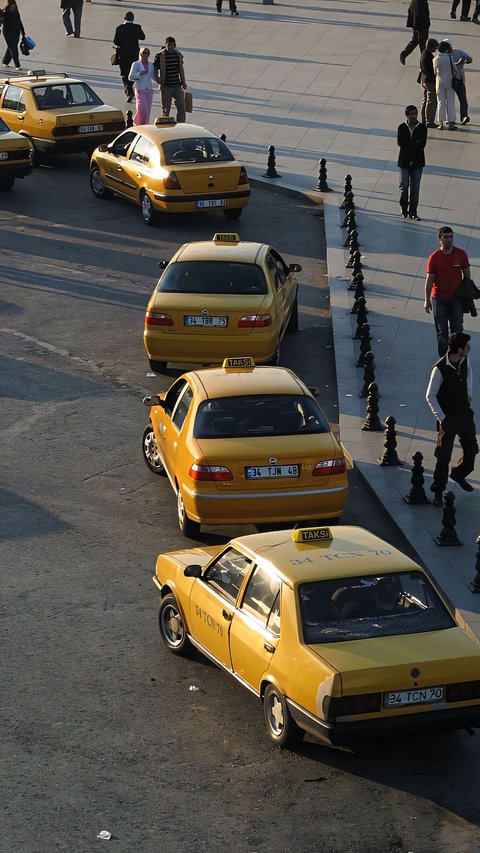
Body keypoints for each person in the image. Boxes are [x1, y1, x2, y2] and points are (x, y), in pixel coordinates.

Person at [426, 332, 478, 505]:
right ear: (459, 349)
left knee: (472, 449)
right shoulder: (439, 369)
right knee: (443, 456)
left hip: (464, 414)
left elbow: (469, 377)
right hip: (448, 418)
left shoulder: (465, 360)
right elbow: (430, 396)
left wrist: (468, 395)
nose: (469, 349)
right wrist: (443, 418)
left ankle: (459, 473)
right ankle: (439, 491)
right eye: (467, 346)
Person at [424, 226, 471, 356]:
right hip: (439, 299)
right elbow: (429, 280)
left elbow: (467, 275)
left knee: (458, 331)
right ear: (440, 239)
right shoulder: (434, 258)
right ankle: (444, 359)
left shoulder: (461, 254)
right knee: (442, 333)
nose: (449, 239)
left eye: (451, 236)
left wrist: (467, 294)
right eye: (446, 237)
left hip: (456, 299)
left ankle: (458, 356)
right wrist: (426, 300)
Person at [397, 105, 427, 221]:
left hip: (418, 162)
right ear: (407, 115)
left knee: (415, 188)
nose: (413, 116)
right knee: (404, 186)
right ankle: (404, 207)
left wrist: (409, 144)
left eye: (415, 113)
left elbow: (422, 145)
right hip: (404, 161)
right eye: (411, 114)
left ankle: (413, 211)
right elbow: (400, 142)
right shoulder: (402, 127)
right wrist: (414, 142)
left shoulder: (422, 128)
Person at [113, 11, 145, 103]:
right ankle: (134, 89)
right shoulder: (137, 27)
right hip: (135, 54)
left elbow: (115, 41)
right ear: (133, 18)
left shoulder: (119, 28)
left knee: (124, 74)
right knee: (134, 72)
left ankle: (129, 92)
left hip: (123, 55)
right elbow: (143, 37)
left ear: (124, 18)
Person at [155, 37, 187, 124]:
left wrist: (183, 82)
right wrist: (157, 79)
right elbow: (155, 68)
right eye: (169, 45)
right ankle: (165, 126)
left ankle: (181, 124)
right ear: (165, 45)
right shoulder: (160, 56)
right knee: (166, 109)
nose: (170, 47)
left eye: (172, 45)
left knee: (181, 106)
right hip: (166, 86)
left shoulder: (178, 55)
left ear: (175, 45)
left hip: (177, 85)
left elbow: (181, 69)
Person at [444, 39, 472, 125]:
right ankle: (450, 118)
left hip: (459, 80)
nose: (449, 49)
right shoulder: (442, 56)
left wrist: (467, 61)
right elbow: (446, 67)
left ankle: (464, 116)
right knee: (449, 101)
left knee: (463, 100)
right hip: (448, 81)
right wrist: (458, 63)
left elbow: (470, 59)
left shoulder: (458, 52)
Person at [128, 47, 157, 125]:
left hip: (149, 89)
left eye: (147, 53)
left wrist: (160, 81)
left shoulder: (151, 65)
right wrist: (139, 73)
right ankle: (136, 122)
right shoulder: (136, 64)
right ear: (140, 53)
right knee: (142, 108)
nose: (146, 55)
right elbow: (130, 76)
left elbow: (152, 76)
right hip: (139, 88)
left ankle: (145, 124)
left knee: (148, 109)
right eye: (144, 53)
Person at [433, 41, 457, 129]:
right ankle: (451, 123)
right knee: (450, 103)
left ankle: (441, 123)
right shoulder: (450, 58)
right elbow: (455, 70)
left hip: (439, 83)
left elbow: (435, 71)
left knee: (440, 103)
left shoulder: (435, 59)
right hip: (450, 83)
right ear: (446, 49)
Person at [400, 0, 430, 65]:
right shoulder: (422, 2)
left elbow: (409, 10)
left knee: (415, 40)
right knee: (423, 43)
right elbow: (422, 13)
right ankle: (424, 61)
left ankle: (404, 53)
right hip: (421, 25)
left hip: (415, 23)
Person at [419, 37, 438, 127]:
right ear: (432, 47)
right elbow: (432, 70)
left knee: (425, 100)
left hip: (424, 80)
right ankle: (429, 121)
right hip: (430, 81)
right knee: (432, 101)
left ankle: (424, 120)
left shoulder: (423, 53)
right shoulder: (429, 56)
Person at [1, 0, 25, 70]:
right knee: (13, 48)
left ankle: (5, 61)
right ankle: (17, 65)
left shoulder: (16, 12)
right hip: (7, 32)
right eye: (11, 6)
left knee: (11, 46)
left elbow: (19, 21)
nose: (12, 8)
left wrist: (23, 31)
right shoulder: (4, 13)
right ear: (8, 6)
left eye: (13, 6)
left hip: (16, 31)